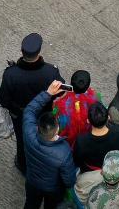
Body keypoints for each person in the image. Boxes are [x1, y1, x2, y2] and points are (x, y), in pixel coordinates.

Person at [0, 32, 63, 175]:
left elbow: (3, 100)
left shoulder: (10, 74)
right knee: (45, 139)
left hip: (20, 117)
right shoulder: (50, 71)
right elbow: (61, 89)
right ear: (39, 52)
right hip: (43, 115)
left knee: (22, 141)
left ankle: (23, 165)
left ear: (22, 52)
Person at [23, 80, 77, 208]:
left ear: (38, 126)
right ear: (57, 129)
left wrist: (48, 93)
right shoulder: (63, 151)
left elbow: (29, 110)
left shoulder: (28, 132)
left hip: (32, 180)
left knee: (30, 204)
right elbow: (69, 180)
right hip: (52, 188)